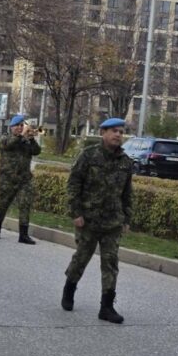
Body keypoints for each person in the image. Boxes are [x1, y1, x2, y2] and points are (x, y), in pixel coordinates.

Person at [62, 117, 132, 325]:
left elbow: (127, 193)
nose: (118, 135)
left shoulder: (125, 162)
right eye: (114, 131)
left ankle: (107, 306)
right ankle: (69, 288)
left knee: (110, 263)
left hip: (112, 222)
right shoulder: (88, 156)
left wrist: (127, 217)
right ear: (103, 132)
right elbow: (73, 184)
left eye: (121, 131)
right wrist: (75, 213)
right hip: (88, 220)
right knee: (82, 258)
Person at [0, 115, 40, 245]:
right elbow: (9, 145)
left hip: (24, 179)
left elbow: (37, 151)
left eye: (21, 125)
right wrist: (21, 135)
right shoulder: (5, 138)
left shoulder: (26, 140)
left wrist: (32, 139)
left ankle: (23, 235)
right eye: (17, 126)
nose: (20, 128)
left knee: (25, 205)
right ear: (11, 127)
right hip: (8, 179)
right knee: (3, 205)